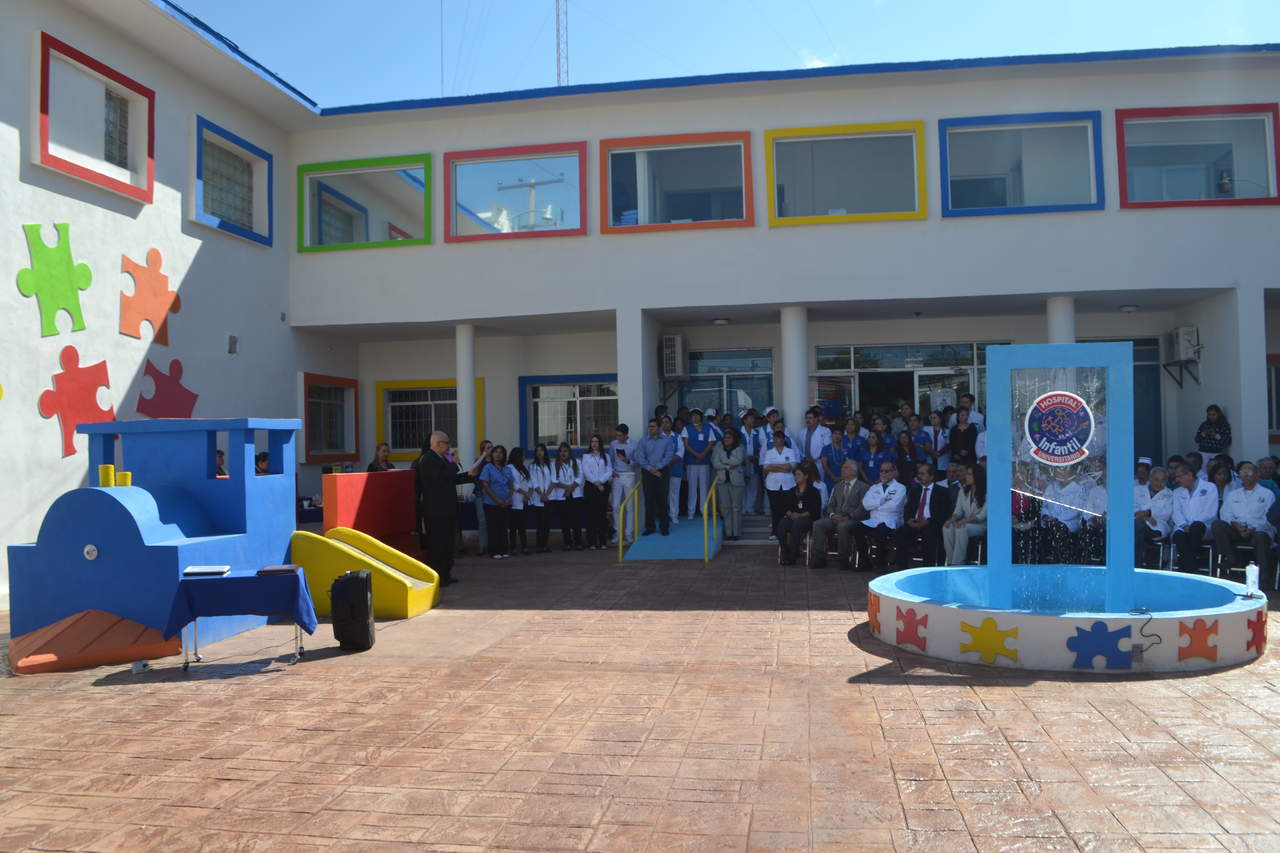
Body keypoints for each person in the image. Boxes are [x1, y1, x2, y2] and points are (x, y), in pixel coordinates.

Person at [416, 431, 480, 585]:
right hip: (436, 510)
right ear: (438, 444)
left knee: (448, 543)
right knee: (438, 544)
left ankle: (446, 573)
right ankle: (438, 576)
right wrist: (453, 464)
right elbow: (439, 478)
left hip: (448, 508)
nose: (449, 446)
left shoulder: (444, 458)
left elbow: (452, 479)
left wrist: (469, 475)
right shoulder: (427, 459)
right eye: (447, 443)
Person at [1213, 461, 1276, 580]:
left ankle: (1264, 575)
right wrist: (1235, 524)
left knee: (1260, 535)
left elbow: (1269, 519)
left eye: (1249, 471)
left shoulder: (1267, 494)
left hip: (1258, 531)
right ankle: (1230, 558)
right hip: (1237, 529)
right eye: (1243, 472)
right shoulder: (1233, 494)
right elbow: (1225, 514)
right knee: (1218, 525)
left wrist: (1253, 528)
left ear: (1257, 474)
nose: (1246, 475)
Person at [812, 459, 870, 570]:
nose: (842, 470)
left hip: (852, 519)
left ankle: (843, 559)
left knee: (843, 526)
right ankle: (819, 558)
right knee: (818, 524)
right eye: (842, 467)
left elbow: (862, 508)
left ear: (854, 472)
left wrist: (848, 517)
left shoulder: (863, 487)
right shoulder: (837, 486)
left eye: (846, 468)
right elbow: (830, 505)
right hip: (836, 517)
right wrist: (832, 515)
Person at [854, 461, 907, 571]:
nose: (883, 474)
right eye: (881, 471)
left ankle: (880, 563)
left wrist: (875, 505)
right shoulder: (874, 487)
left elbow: (894, 506)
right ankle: (865, 561)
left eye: (886, 471)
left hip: (892, 520)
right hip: (874, 520)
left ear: (894, 472)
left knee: (881, 530)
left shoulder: (900, 488)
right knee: (856, 528)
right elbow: (866, 504)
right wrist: (882, 501)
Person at [895, 463, 949, 571]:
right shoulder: (914, 490)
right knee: (900, 533)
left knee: (929, 534)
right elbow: (908, 508)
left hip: (931, 523)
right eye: (919, 473)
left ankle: (927, 568)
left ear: (931, 476)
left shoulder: (942, 491)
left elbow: (944, 512)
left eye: (922, 474)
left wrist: (928, 521)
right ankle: (902, 568)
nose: (919, 476)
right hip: (914, 522)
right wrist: (909, 520)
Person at [1171, 465, 1219, 571]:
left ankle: (1186, 567)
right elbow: (1176, 512)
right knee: (1178, 535)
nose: (1177, 480)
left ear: (1189, 475)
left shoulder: (1210, 487)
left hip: (1204, 525)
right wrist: (1184, 525)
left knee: (1196, 527)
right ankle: (1191, 567)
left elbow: (1210, 511)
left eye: (1179, 476)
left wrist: (1192, 524)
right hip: (1183, 526)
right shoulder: (1177, 492)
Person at [632, 418, 674, 536]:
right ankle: (650, 527)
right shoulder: (643, 441)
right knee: (649, 500)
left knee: (662, 500)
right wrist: (651, 469)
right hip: (647, 472)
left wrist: (657, 468)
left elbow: (668, 456)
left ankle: (664, 527)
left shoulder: (667, 440)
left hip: (662, 472)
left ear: (659, 428)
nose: (650, 429)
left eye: (653, 426)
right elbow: (640, 458)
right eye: (649, 426)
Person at [777, 463, 822, 565]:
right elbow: (784, 507)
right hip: (793, 517)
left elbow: (815, 510)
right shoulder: (792, 491)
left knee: (797, 524)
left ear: (806, 476)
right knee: (782, 524)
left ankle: (792, 556)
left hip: (808, 518)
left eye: (798, 474)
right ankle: (785, 553)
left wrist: (800, 515)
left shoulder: (813, 491)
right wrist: (790, 514)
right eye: (795, 475)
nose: (796, 477)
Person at [942, 463, 987, 565]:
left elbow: (981, 517)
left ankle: (958, 562)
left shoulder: (987, 493)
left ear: (977, 476)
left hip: (981, 525)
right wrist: (950, 520)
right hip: (966, 523)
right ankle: (950, 561)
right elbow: (958, 512)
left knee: (961, 528)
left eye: (969, 474)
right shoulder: (962, 491)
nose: (966, 476)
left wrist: (964, 521)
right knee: (947, 527)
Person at [1039, 465, 1084, 563]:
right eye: (1059, 469)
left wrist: (1055, 519)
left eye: (1065, 469)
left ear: (1072, 471)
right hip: (1050, 523)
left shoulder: (1078, 489)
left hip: (1068, 524)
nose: (1061, 472)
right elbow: (1044, 506)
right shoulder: (1051, 487)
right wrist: (1046, 516)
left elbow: (1075, 511)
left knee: (1058, 529)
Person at [761, 429, 800, 541]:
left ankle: (787, 530)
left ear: (783, 439)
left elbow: (791, 467)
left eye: (778, 438)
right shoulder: (769, 452)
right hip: (772, 485)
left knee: (787, 507)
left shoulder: (789, 451)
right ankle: (775, 531)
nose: (776, 441)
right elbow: (766, 468)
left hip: (788, 484)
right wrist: (782, 467)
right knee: (775, 508)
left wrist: (774, 466)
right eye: (774, 439)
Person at [477, 445, 513, 559]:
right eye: (496, 452)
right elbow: (485, 485)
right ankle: (494, 551)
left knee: (504, 527)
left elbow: (511, 485)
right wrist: (496, 499)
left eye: (501, 452)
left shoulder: (507, 468)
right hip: (491, 503)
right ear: (492, 454)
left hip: (506, 503)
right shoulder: (488, 467)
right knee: (493, 528)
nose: (498, 454)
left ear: (504, 455)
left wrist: (508, 499)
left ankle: (504, 550)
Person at [1134, 466, 1174, 568]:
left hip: (1157, 527)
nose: (1159, 483)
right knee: (1139, 527)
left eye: (1162, 480)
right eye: (1156, 480)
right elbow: (1131, 506)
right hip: (1138, 523)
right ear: (1150, 478)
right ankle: (1141, 565)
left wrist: (1148, 513)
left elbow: (1167, 513)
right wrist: (1146, 517)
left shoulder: (1169, 494)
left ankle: (1136, 565)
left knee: (1138, 528)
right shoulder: (1137, 490)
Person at [711, 428, 746, 540]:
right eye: (725, 438)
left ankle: (736, 533)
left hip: (736, 481)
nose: (726, 439)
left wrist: (724, 461)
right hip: (722, 481)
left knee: (736, 507)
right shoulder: (719, 448)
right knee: (725, 508)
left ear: (734, 439)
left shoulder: (740, 448)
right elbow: (715, 463)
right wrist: (727, 466)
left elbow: (738, 461)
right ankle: (729, 532)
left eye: (729, 438)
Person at [550, 443, 585, 550]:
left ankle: (578, 542)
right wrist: (567, 488)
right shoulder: (554, 464)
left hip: (576, 495)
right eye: (561, 451)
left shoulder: (577, 462)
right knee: (564, 521)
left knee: (576, 520)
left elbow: (580, 477)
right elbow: (554, 480)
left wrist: (570, 489)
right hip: (562, 496)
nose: (563, 453)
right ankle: (567, 543)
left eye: (565, 451)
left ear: (569, 452)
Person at [608, 424, 638, 546]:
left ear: (626, 435)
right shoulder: (613, 444)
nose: (618, 438)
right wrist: (612, 471)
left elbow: (638, 462)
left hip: (630, 475)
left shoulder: (634, 444)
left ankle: (629, 534)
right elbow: (610, 460)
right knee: (615, 505)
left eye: (620, 435)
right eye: (617, 435)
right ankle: (617, 533)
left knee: (629, 506)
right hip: (617, 476)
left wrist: (627, 461)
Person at [683, 409, 715, 519]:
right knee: (692, 488)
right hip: (691, 462)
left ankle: (704, 511)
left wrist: (702, 455)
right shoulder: (687, 428)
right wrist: (697, 455)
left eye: (697, 415)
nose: (695, 417)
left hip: (704, 462)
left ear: (701, 417)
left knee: (704, 488)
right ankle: (691, 512)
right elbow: (686, 445)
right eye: (693, 416)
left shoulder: (708, 428)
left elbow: (710, 444)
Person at [582, 434, 613, 550]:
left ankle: (603, 541)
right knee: (591, 515)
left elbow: (609, 471)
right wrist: (596, 483)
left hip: (603, 488)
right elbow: (586, 472)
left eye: (596, 441)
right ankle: (592, 542)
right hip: (590, 487)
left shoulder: (606, 456)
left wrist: (601, 482)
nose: (594, 444)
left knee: (602, 514)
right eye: (592, 442)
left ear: (600, 443)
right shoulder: (586, 456)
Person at [506, 446, 532, 556]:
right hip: (514, 500)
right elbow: (513, 484)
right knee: (513, 526)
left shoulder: (523, 468)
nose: (524, 457)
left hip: (524, 500)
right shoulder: (509, 467)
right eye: (522, 455)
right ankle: (513, 547)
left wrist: (528, 495)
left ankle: (524, 546)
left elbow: (529, 483)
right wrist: (524, 493)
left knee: (522, 525)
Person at [469, 440, 494, 554]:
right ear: (483, 450)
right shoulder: (479, 461)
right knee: (482, 520)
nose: (491, 449)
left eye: (491, 447)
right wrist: (482, 457)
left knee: (492, 520)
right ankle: (483, 546)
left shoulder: (495, 462)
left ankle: (492, 544)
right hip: (480, 493)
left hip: (492, 494)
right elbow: (473, 473)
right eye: (488, 448)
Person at [529, 444, 554, 553]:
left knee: (547, 523)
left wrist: (546, 495)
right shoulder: (532, 466)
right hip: (538, 498)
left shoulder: (551, 465)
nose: (540, 452)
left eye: (542, 450)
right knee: (540, 523)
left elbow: (554, 481)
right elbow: (534, 482)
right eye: (537, 450)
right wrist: (541, 495)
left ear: (545, 452)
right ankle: (539, 545)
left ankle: (545, 545)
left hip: (549, 497)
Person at [661, 416, 685, 527]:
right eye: (663, 422)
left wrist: (670, 462)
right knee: (663, 494)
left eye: (667, 422)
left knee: (674, 493)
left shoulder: (677, 436)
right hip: (661, 470)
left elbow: (681, 451)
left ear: (671, 424)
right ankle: (664, 515)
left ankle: (674, 515)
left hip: (675, 468)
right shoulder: (658, 437)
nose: (665, 424)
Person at [739, 412, 762, 517]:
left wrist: (757, 456)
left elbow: (761, 447)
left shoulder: (757, 433)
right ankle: (743, 509)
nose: (753, 420)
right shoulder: (739, 433)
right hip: (742, 464)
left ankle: (750, 508)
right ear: (744, 420)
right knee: (742, 487)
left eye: (753, 418)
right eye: (750, 418)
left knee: (753, 487)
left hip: (754, 463)